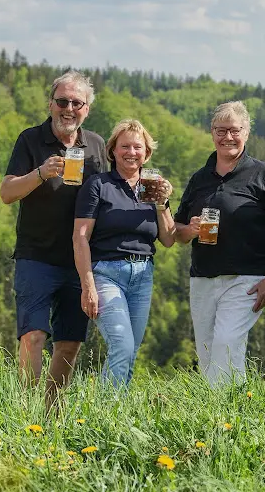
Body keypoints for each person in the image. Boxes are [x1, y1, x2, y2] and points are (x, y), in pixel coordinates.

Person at [0, 70, 106, 406]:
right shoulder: (30, 140)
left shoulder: (97, 145)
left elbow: (111, 194)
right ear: (51, 104)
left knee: (70, 342)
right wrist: (40, 173)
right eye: (62, 101)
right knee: (33, 335)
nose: (69, 108)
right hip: (36, 255)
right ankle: (27, 411)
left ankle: (50, 413)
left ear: (86, 109)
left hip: (79, 260)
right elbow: (6, 193)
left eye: (77, 103)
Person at [174, 101, 265, 387]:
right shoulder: (199, 178)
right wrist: (190, 229)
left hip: (247, 278)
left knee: (226, 343)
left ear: (247, 132)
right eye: (220, 130)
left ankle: (224, 413)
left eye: (234, 130)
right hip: (202, 277)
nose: (228, 137)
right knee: (207, 352)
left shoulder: (264, 175)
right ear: (212, 133)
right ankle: (226, 411)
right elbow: (177, 230)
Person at [73, 119, 176, 388]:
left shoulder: (152, 185)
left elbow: (168, 239)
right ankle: (106, 417)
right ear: (113, 151)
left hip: (143, 274)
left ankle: (115, 415)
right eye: (125, 146)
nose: (131, 152)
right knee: (122, 344)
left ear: (147, 153)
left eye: (137, 147)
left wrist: (163, 204)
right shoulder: (99, 185)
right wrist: (88, 286)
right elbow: (80, 237)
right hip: (106, 273)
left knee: (130, 352)